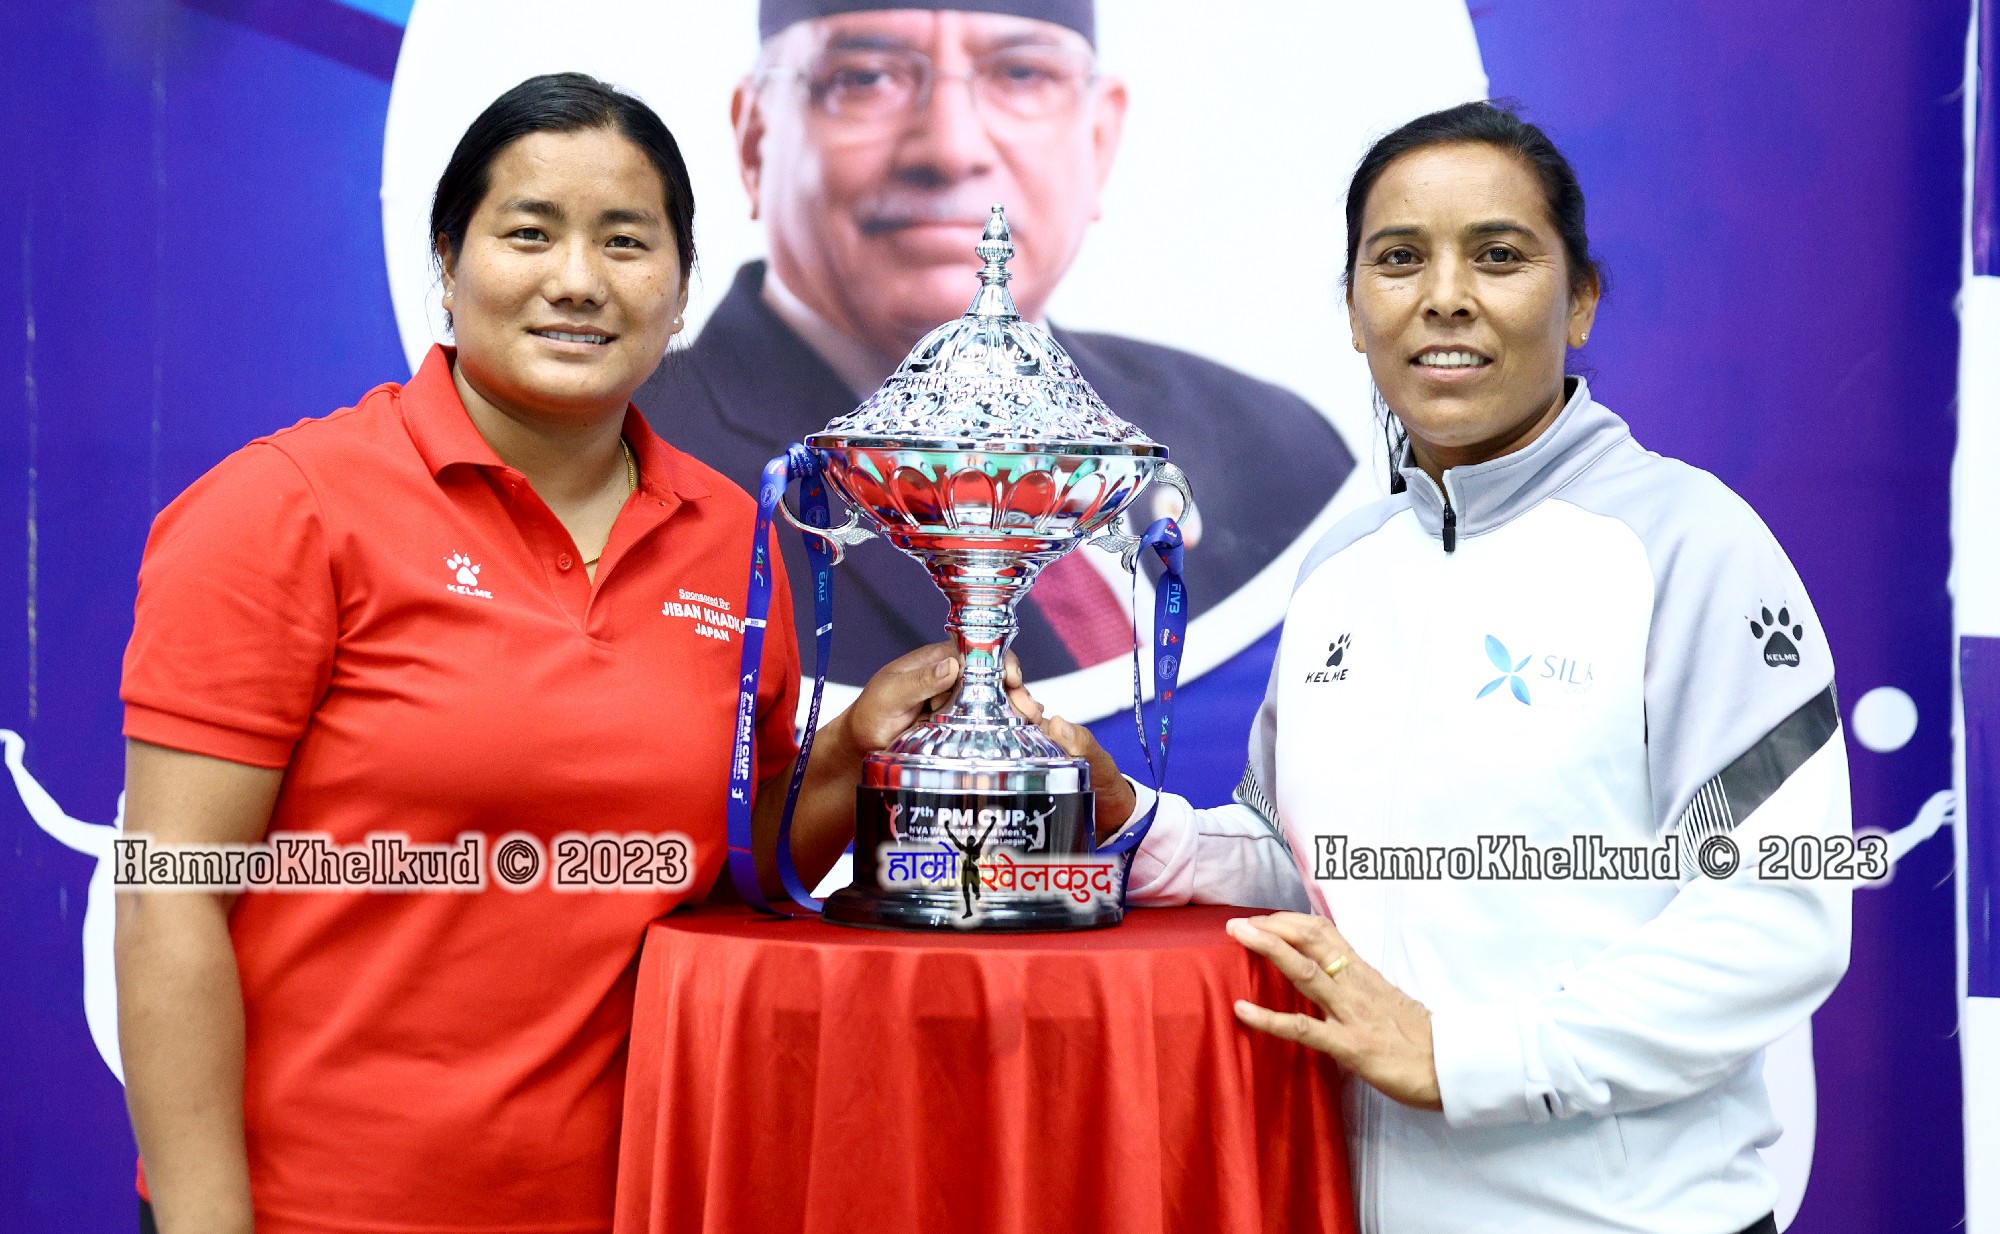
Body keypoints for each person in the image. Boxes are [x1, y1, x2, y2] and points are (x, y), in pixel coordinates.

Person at [114, 73, 971, 1234]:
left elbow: (730, 870)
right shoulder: (287, 508)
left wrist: (853, 750)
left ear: (680, 287)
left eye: (625, 241)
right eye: (529, 233)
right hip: (328, 1208)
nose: (577, 280)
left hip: (645, 1198)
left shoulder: (733, 538)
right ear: (448, 259)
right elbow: (169, 898)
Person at [1037, 102, 1850, 1234]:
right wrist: (1133, 825)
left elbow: (1776, 916)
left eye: (1499, 255)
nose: (1445, 296)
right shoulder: (1343, 564)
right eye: (1399, 258)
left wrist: (1468, 1057)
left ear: (1579, 302)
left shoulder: (1684, 545)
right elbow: (1309, 872)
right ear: (1353, 311)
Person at [638, 0, 1354, 684]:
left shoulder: (1281, 457)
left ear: (1099, 140)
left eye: (1022, 73)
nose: (951, 149)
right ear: (756, 139)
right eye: (866, 78)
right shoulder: (632, 469)